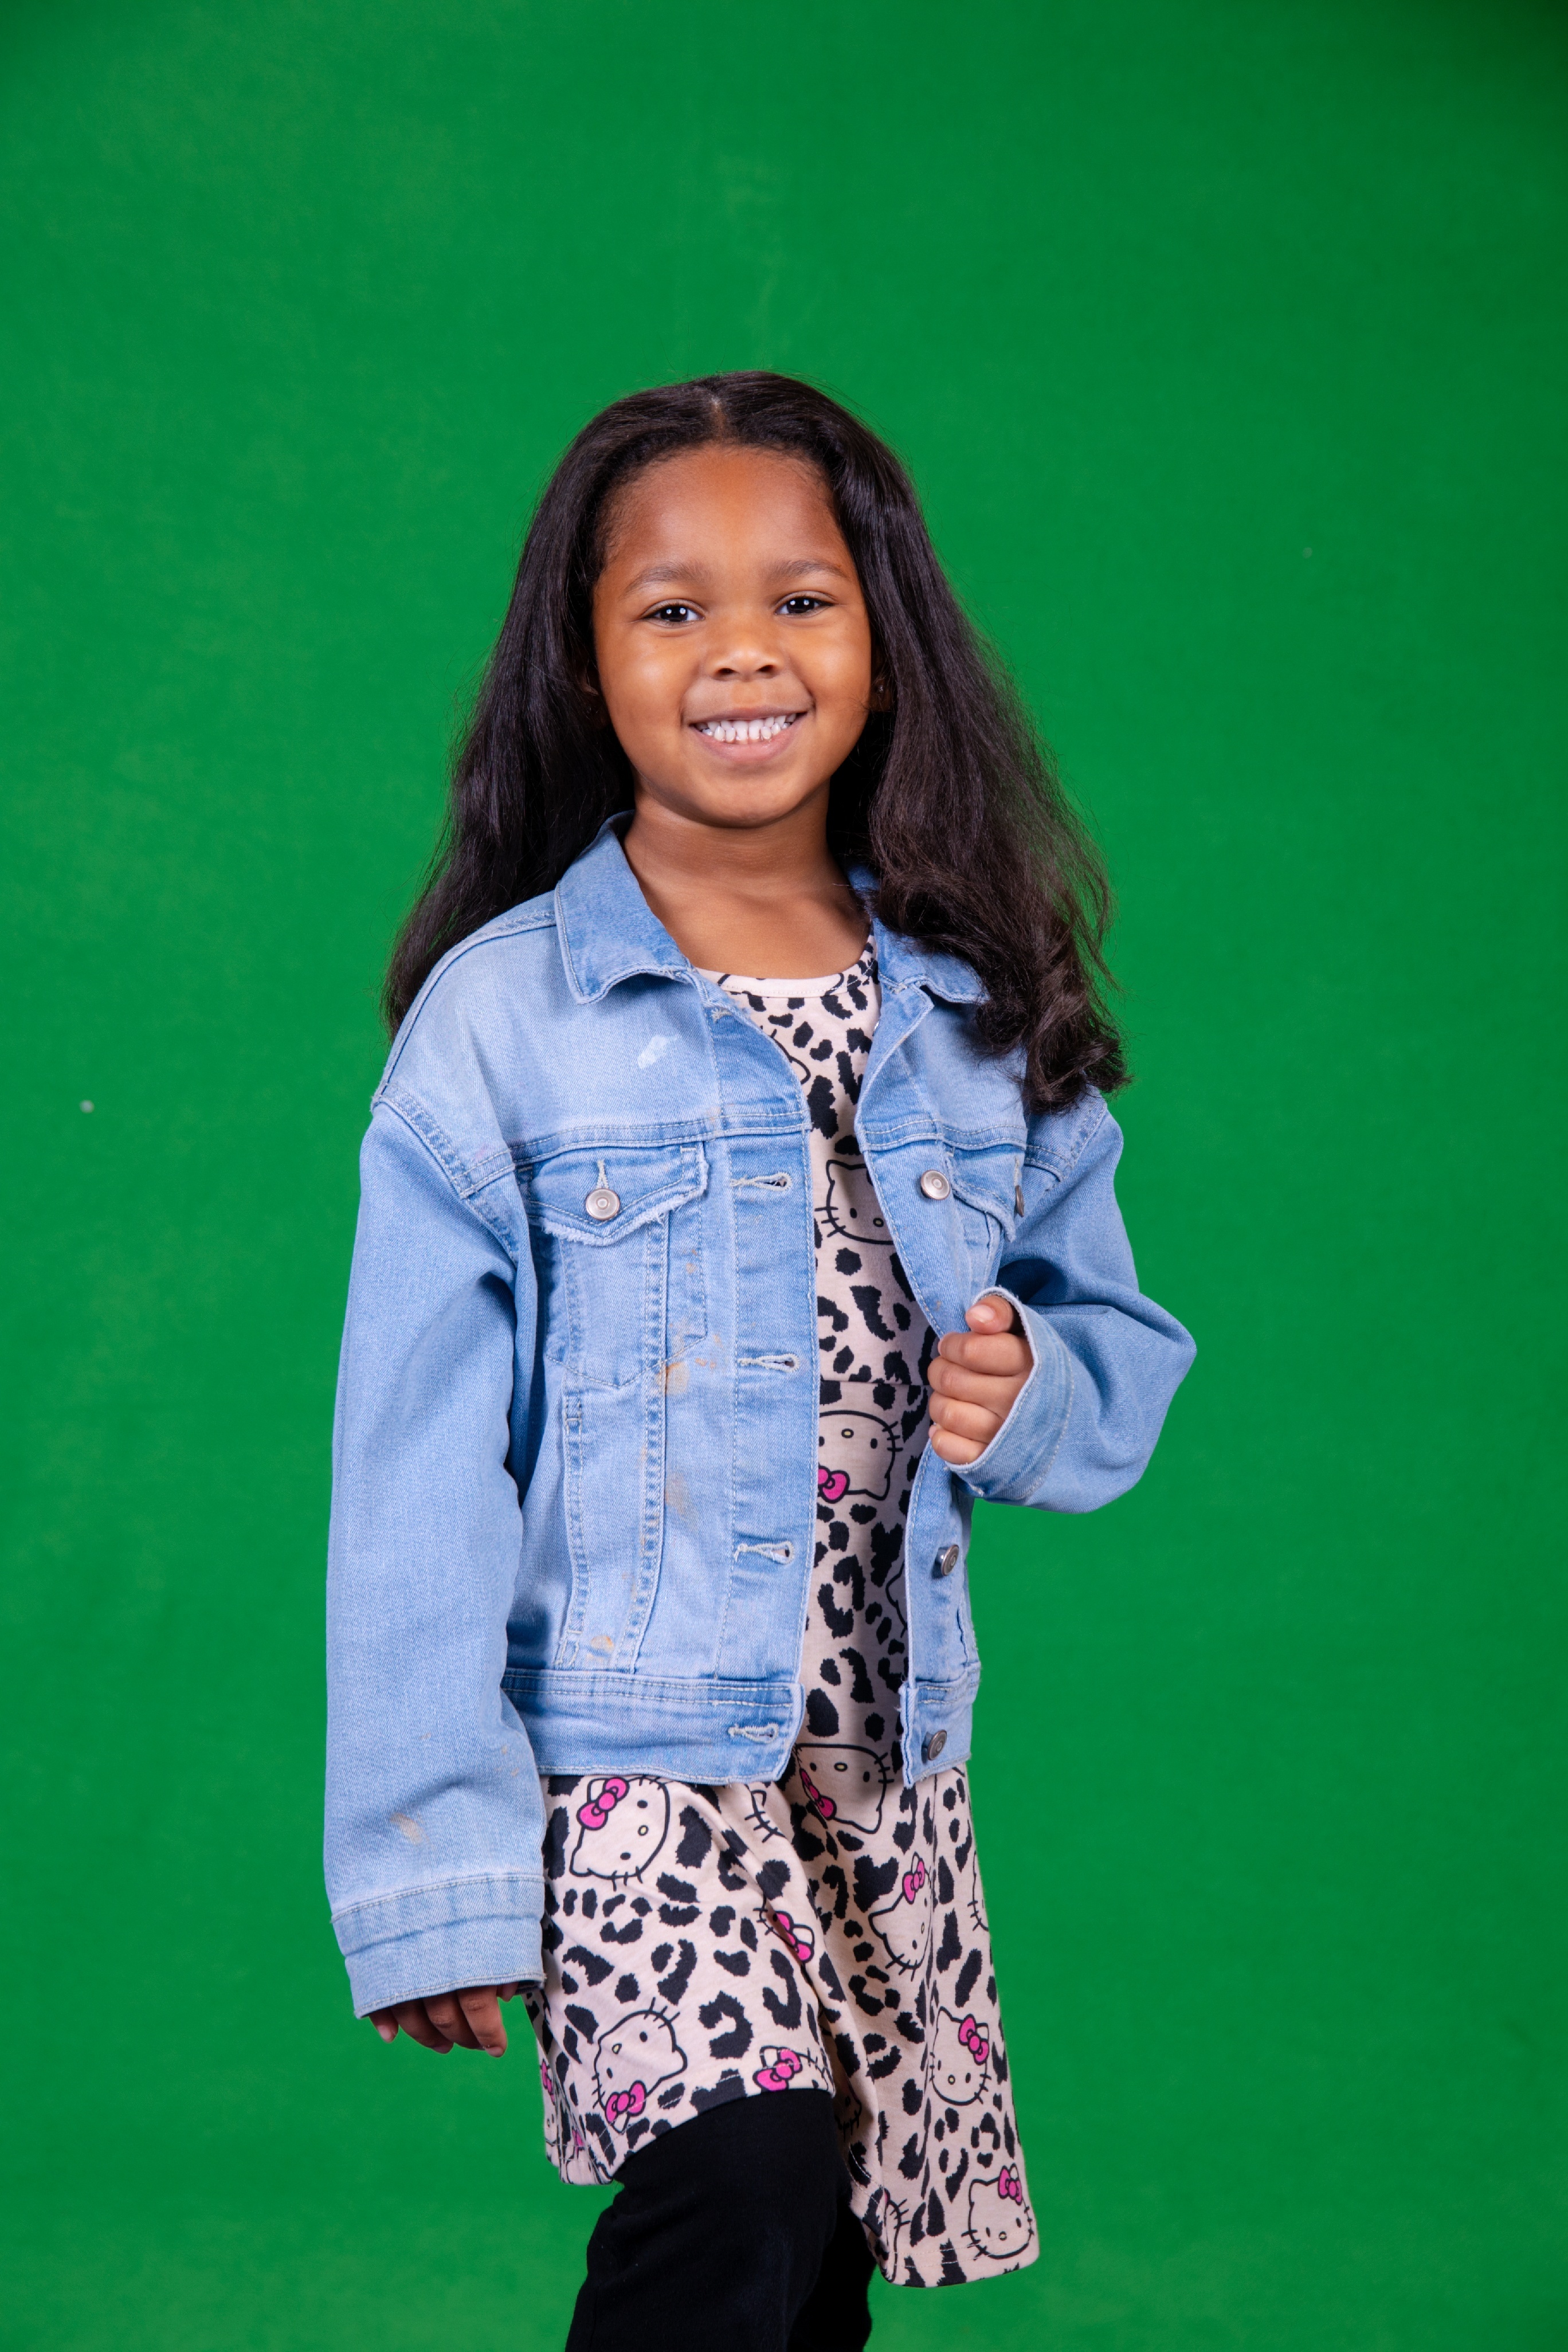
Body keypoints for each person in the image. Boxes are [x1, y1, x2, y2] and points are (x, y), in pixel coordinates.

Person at [325, 371, 1194, 2349]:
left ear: (885, 641)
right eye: (672, 608)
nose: (741, 651)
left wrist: (1031, 1394)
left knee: (816, 2263)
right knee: (742, 2176)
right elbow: (415, 1474)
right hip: (631, 1748)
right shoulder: (502, 1023)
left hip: (878, 1753)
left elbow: (1115, 1346)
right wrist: (429, 1866)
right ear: (585, 661)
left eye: (800, 600)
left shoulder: (979, 1000)